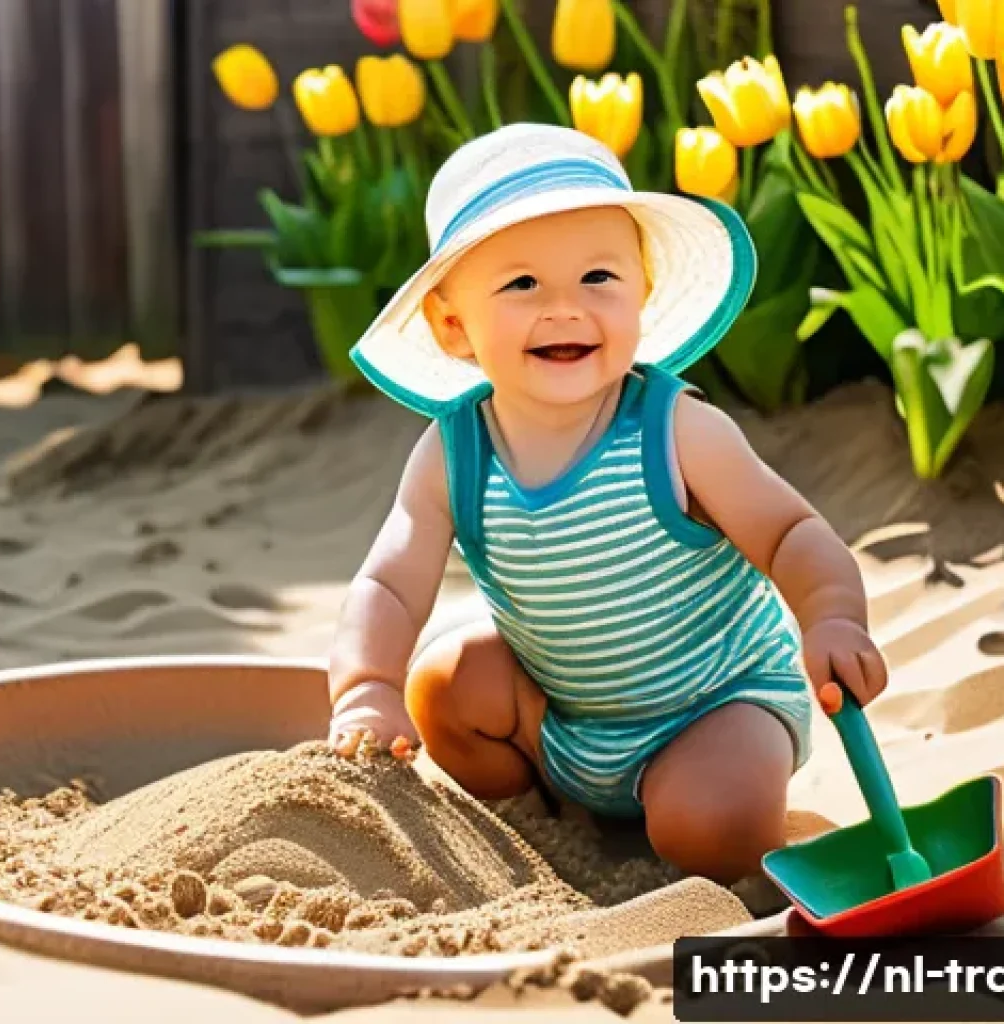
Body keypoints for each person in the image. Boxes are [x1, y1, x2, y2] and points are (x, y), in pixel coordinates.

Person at [325, 123, 887, 885]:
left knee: (710, 822)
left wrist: (833, 615)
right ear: (454, 326)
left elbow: (789, 532)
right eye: (522, 285)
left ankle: (705, 821)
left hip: (716, 706)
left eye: (598, 277)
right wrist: (367, 687)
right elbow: (389, 583)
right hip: (564, 721)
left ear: (641, 294)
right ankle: (542, 820)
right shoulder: (453, 452)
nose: (564, 307)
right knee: (447, 686)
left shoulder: (675, 429)